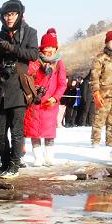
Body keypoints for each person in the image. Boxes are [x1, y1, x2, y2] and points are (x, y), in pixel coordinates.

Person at [0, 0, 39, 178]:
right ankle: (5, 164)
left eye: (12, 14)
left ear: (19, 15)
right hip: (0, 88)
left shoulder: (30, 32)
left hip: (18, 88)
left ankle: (14, 165)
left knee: (17, 132)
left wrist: (12, 48)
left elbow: (33, 54)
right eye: (5, 15)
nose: (8, 18)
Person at [22, 28, 67, 167]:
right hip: (35, 102)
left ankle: (49, 157)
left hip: (50, 103)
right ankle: (38, 158)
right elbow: (28, 76)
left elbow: (62, 83)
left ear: (55, 48)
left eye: (51, 47)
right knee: (34, 131)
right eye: (46, 48)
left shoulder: (59, 63)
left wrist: (55, 98)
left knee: (49, 131)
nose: (48, 50)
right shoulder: (34, 60)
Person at [88, 30, 112, 149]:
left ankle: (111, 140)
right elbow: (94, 77)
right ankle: (95, 141)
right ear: (107, 43)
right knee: (99, 120)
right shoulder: (100, 58)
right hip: (104, 95)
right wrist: (96, 92)